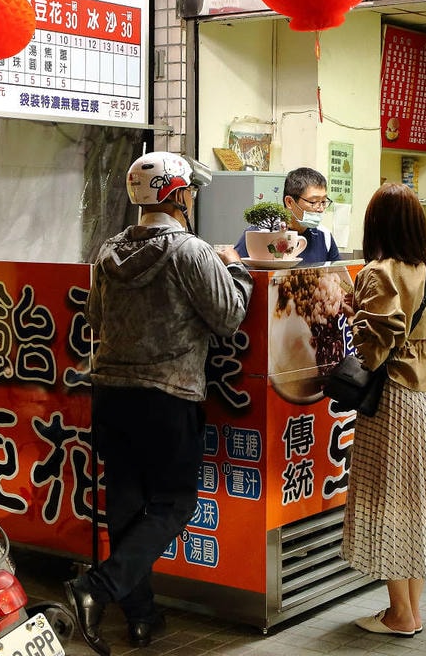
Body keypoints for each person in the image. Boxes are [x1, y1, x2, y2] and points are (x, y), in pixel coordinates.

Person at [66, 152, 253, 656]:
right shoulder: (191, 252)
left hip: (110, 393)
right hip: (168, 395)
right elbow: (229, 316)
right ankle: (97, 587)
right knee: (174, 503)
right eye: (188, 191)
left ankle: (142, 616)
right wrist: (238, 271)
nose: (192, 197)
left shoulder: (108, 251)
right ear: (175, 195)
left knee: (126, 502)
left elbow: (96, 320)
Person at [342, 182, 426, 637]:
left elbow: (373, 349)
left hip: (392, 399)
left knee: (389, 498)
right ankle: (410, 609)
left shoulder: (378, 272)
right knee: (418, 499)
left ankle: (399, 612)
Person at [234, 167, 341, 264]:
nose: (321, 209)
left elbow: (339, 277)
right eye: (313, 202)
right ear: (289, 202)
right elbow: (236, 276)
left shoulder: (324, 236)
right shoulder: (259, 233)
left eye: (323, 201)